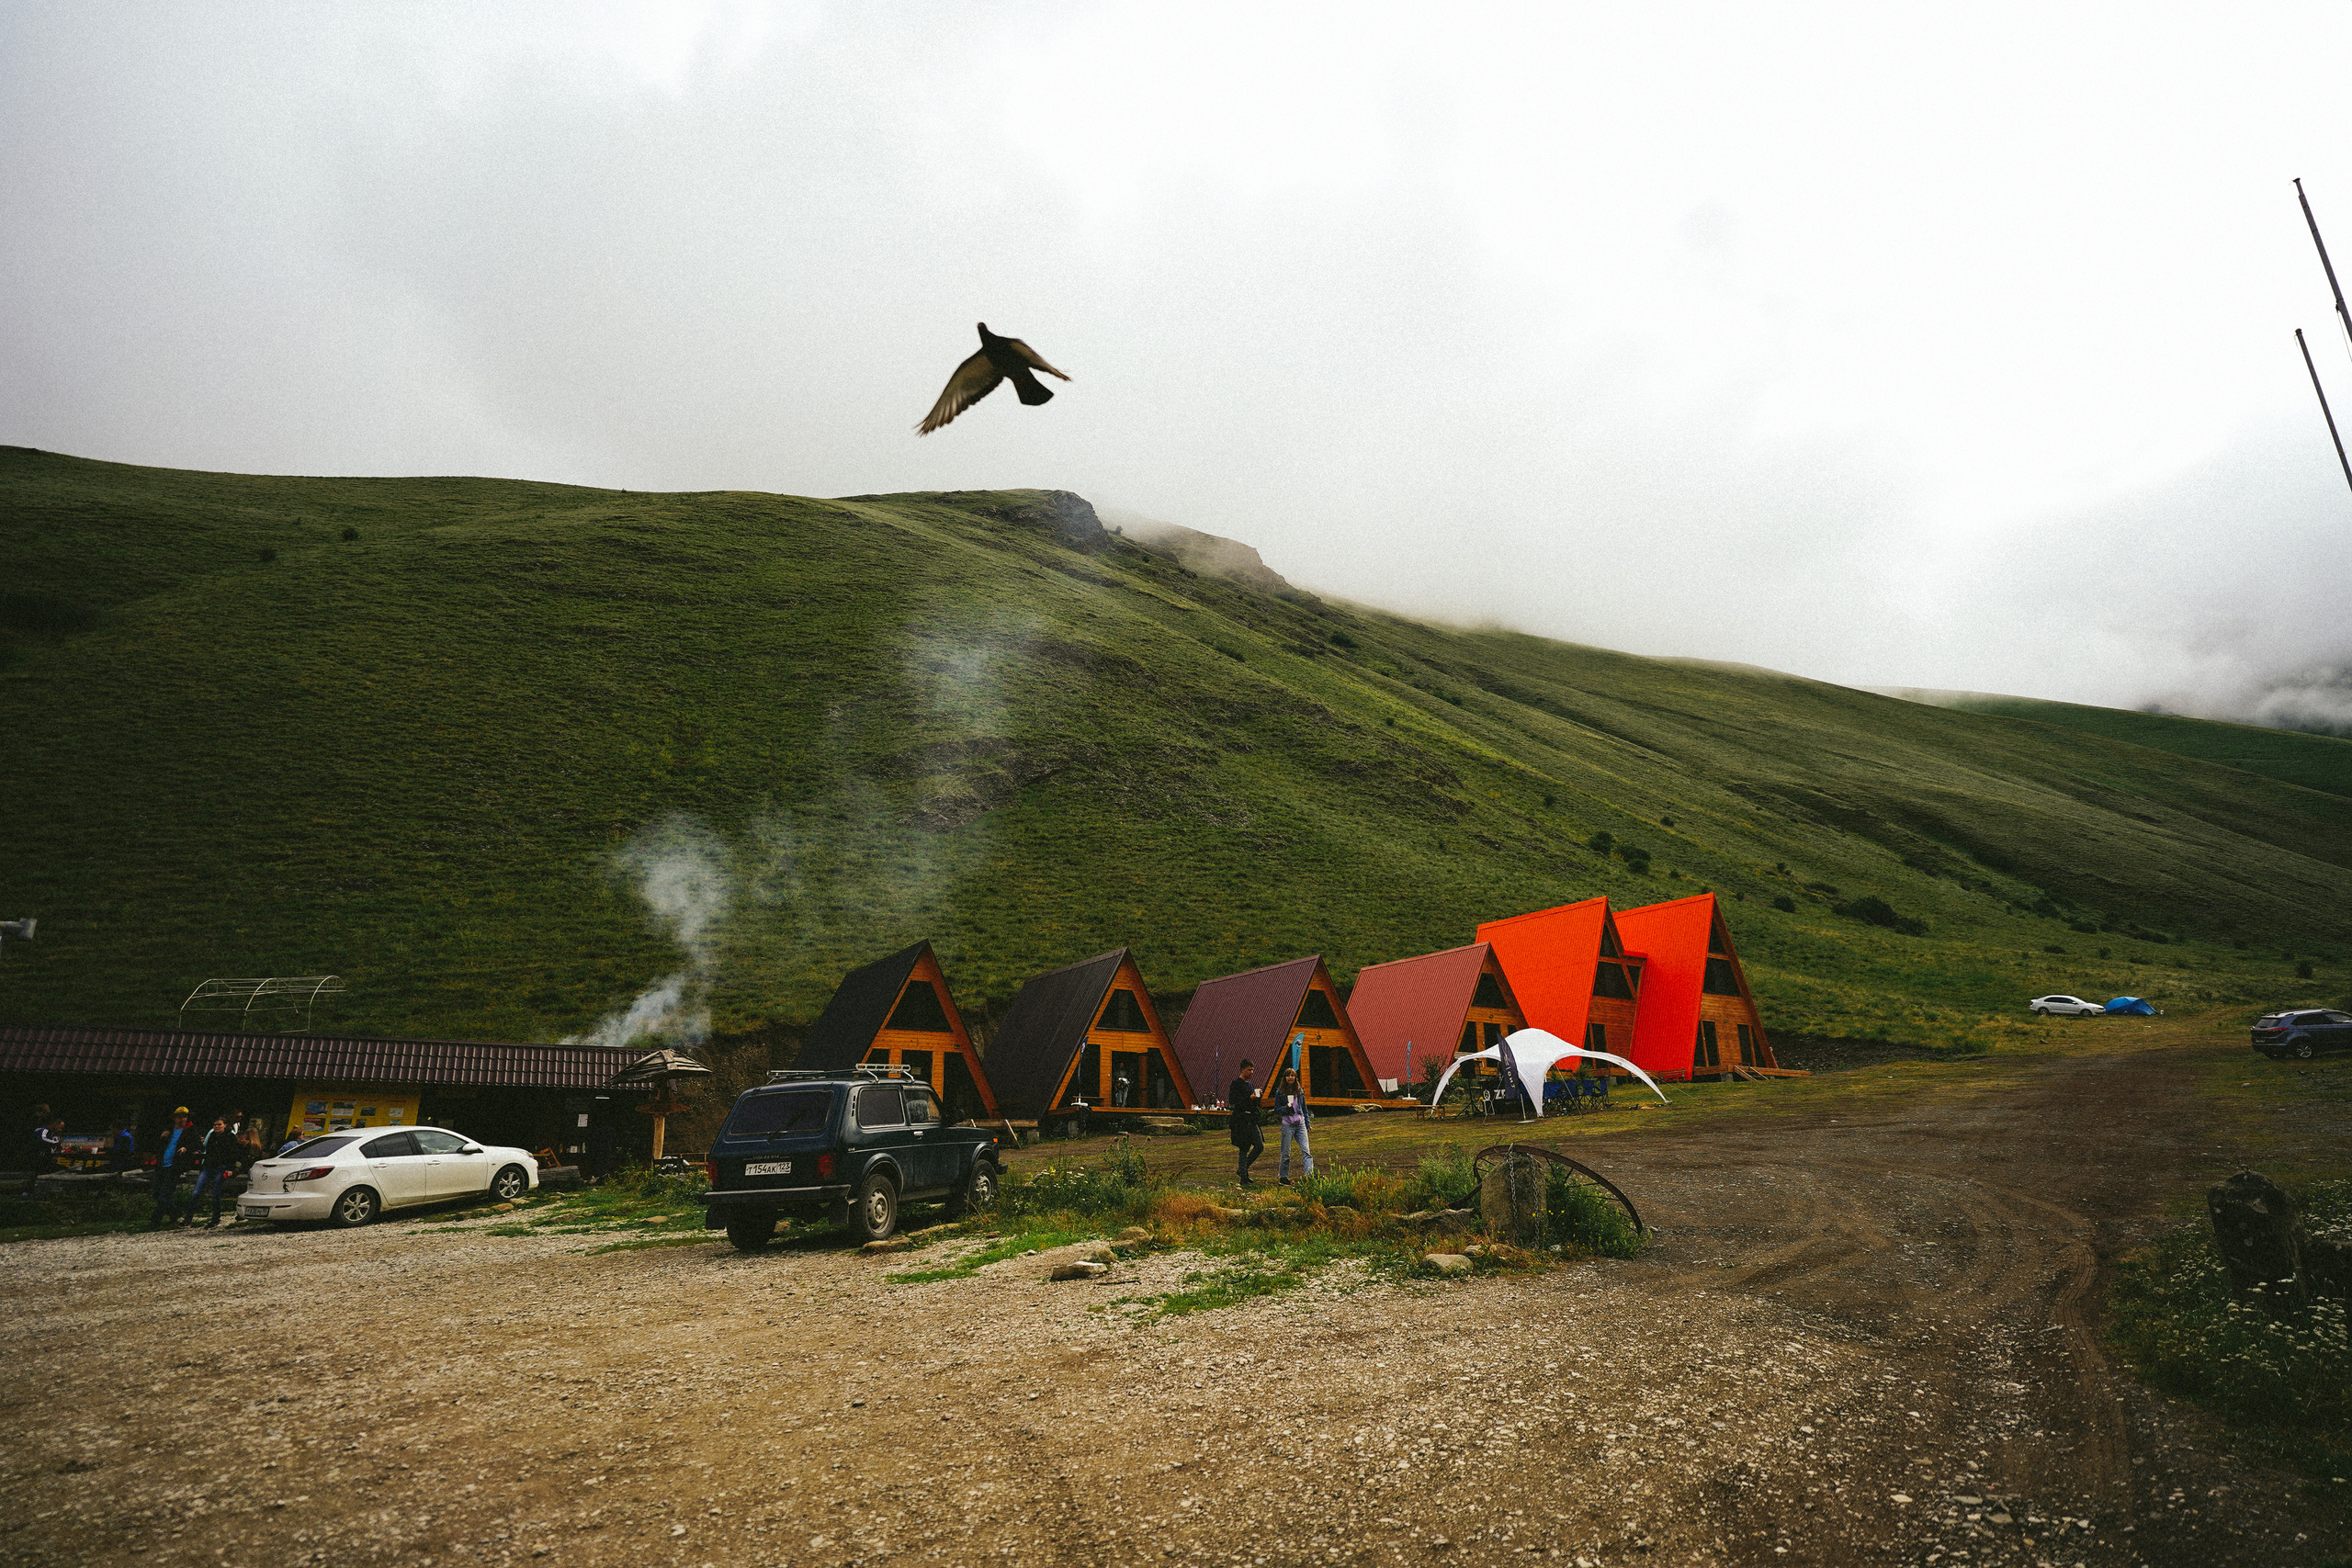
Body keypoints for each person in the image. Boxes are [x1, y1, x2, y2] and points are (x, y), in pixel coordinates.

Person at [148, 1111, 200, 1228]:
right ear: (174, 1118)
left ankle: (155, 1221)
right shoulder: (169, 1130)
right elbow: (158, 1145)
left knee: (164, 1194)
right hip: (162, 1164)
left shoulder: (190, 1130)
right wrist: (161, 1137)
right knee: (156, 1192)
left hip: (175, 1166)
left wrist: (186, 1147)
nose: (182, 1119)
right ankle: (175, 1212)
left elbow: (198, 1144)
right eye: (179, 1117)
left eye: (185, 1117)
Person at [185, 1118, 241, 1227]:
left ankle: (216, 1219)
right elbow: (207, 1150)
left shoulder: (230, 1137)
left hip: (222, 1166)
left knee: (216, 1192)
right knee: (196, 1192)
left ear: (225, 1125)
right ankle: (188, 1220)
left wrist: (230, 1168)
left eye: (219, 1125)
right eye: (215, 1125)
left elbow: (233, 1154)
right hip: (208, 1166)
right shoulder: (212, 1136)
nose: (216, 1127)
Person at [1272, 1066, 1315, 1184]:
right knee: (1286, 1153)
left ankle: (1309, 1176)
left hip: (1300, 1123)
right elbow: (1276, 1109)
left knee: (1307, 1151)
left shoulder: (1300, 1091)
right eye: (1288, 1076)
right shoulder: (1280, 1093)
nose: (1290, 1078)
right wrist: (1285, 1107)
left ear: (1295, 1078)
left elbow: (1304, 1109)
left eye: (1292, 1076)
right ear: (1285, 1078)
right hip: (1287, 1124)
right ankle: (1283, 1177)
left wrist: (1307, 1124)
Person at [1227, 1059, 1263, 1187]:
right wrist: (1250, 1098)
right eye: (1249, 1070)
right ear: (1242, 1069)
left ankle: (1242, 1170)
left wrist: (1257, 1098)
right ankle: (1244, 1176)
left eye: (1252, 1070)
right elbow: (1234, 1101)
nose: (1251, 1072)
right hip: (1241, 1120)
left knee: (1259, 1146)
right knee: (1244, 1148)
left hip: (1251, 1119)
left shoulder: (1250, 1084)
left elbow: (1253, 1104)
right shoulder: (1236, 1084)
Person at [24, 1115, 63, 1195]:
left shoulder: (51, 1133)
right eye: (60, 1127)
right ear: (55, 1124)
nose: (60, 1130)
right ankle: (29, 1192)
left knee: (40, 1172)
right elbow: (42, 1140)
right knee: (36, 1173)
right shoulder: (44, 1130)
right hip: (35, 1156)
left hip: (40, 1156)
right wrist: (57, 1143)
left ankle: (35, 1192)